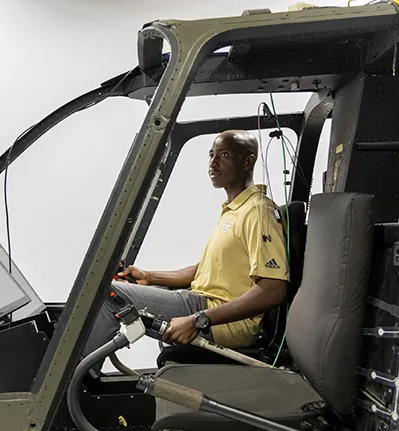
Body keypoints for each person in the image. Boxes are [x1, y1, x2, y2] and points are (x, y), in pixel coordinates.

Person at [82, 129, 290, 374]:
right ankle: (80, 381)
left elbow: (273, 289)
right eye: (211, 155)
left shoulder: (257, 212)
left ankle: (74, 388)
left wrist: (199, 319)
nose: (213, 163)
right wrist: (150, 277)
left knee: (107, 296)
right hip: (202, 302)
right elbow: (207, 269)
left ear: (247, 161)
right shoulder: (235, 210)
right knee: (111, 295)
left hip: (221, 319)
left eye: (223, 154)